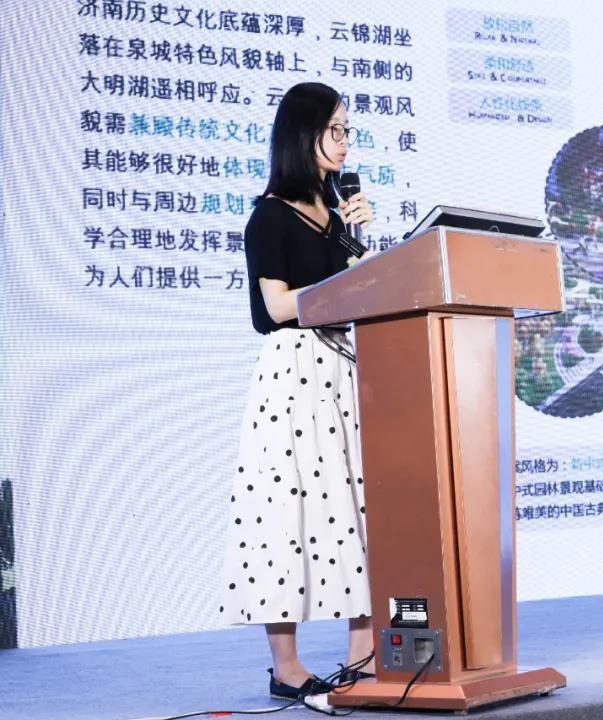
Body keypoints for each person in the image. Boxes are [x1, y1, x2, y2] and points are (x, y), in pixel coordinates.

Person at [219, 82, 375, 700]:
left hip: (342, 368)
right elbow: (276, 305)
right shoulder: (270, 215)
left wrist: (359, 244)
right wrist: (339, 286)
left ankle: (364, 652)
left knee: (357, 505)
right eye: (335, 130)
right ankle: (286, 667)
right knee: (285, 513)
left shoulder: (339, 218)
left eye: (347, 130)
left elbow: (360, 293)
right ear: (303, 135)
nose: (344, 142)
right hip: (293, 373)